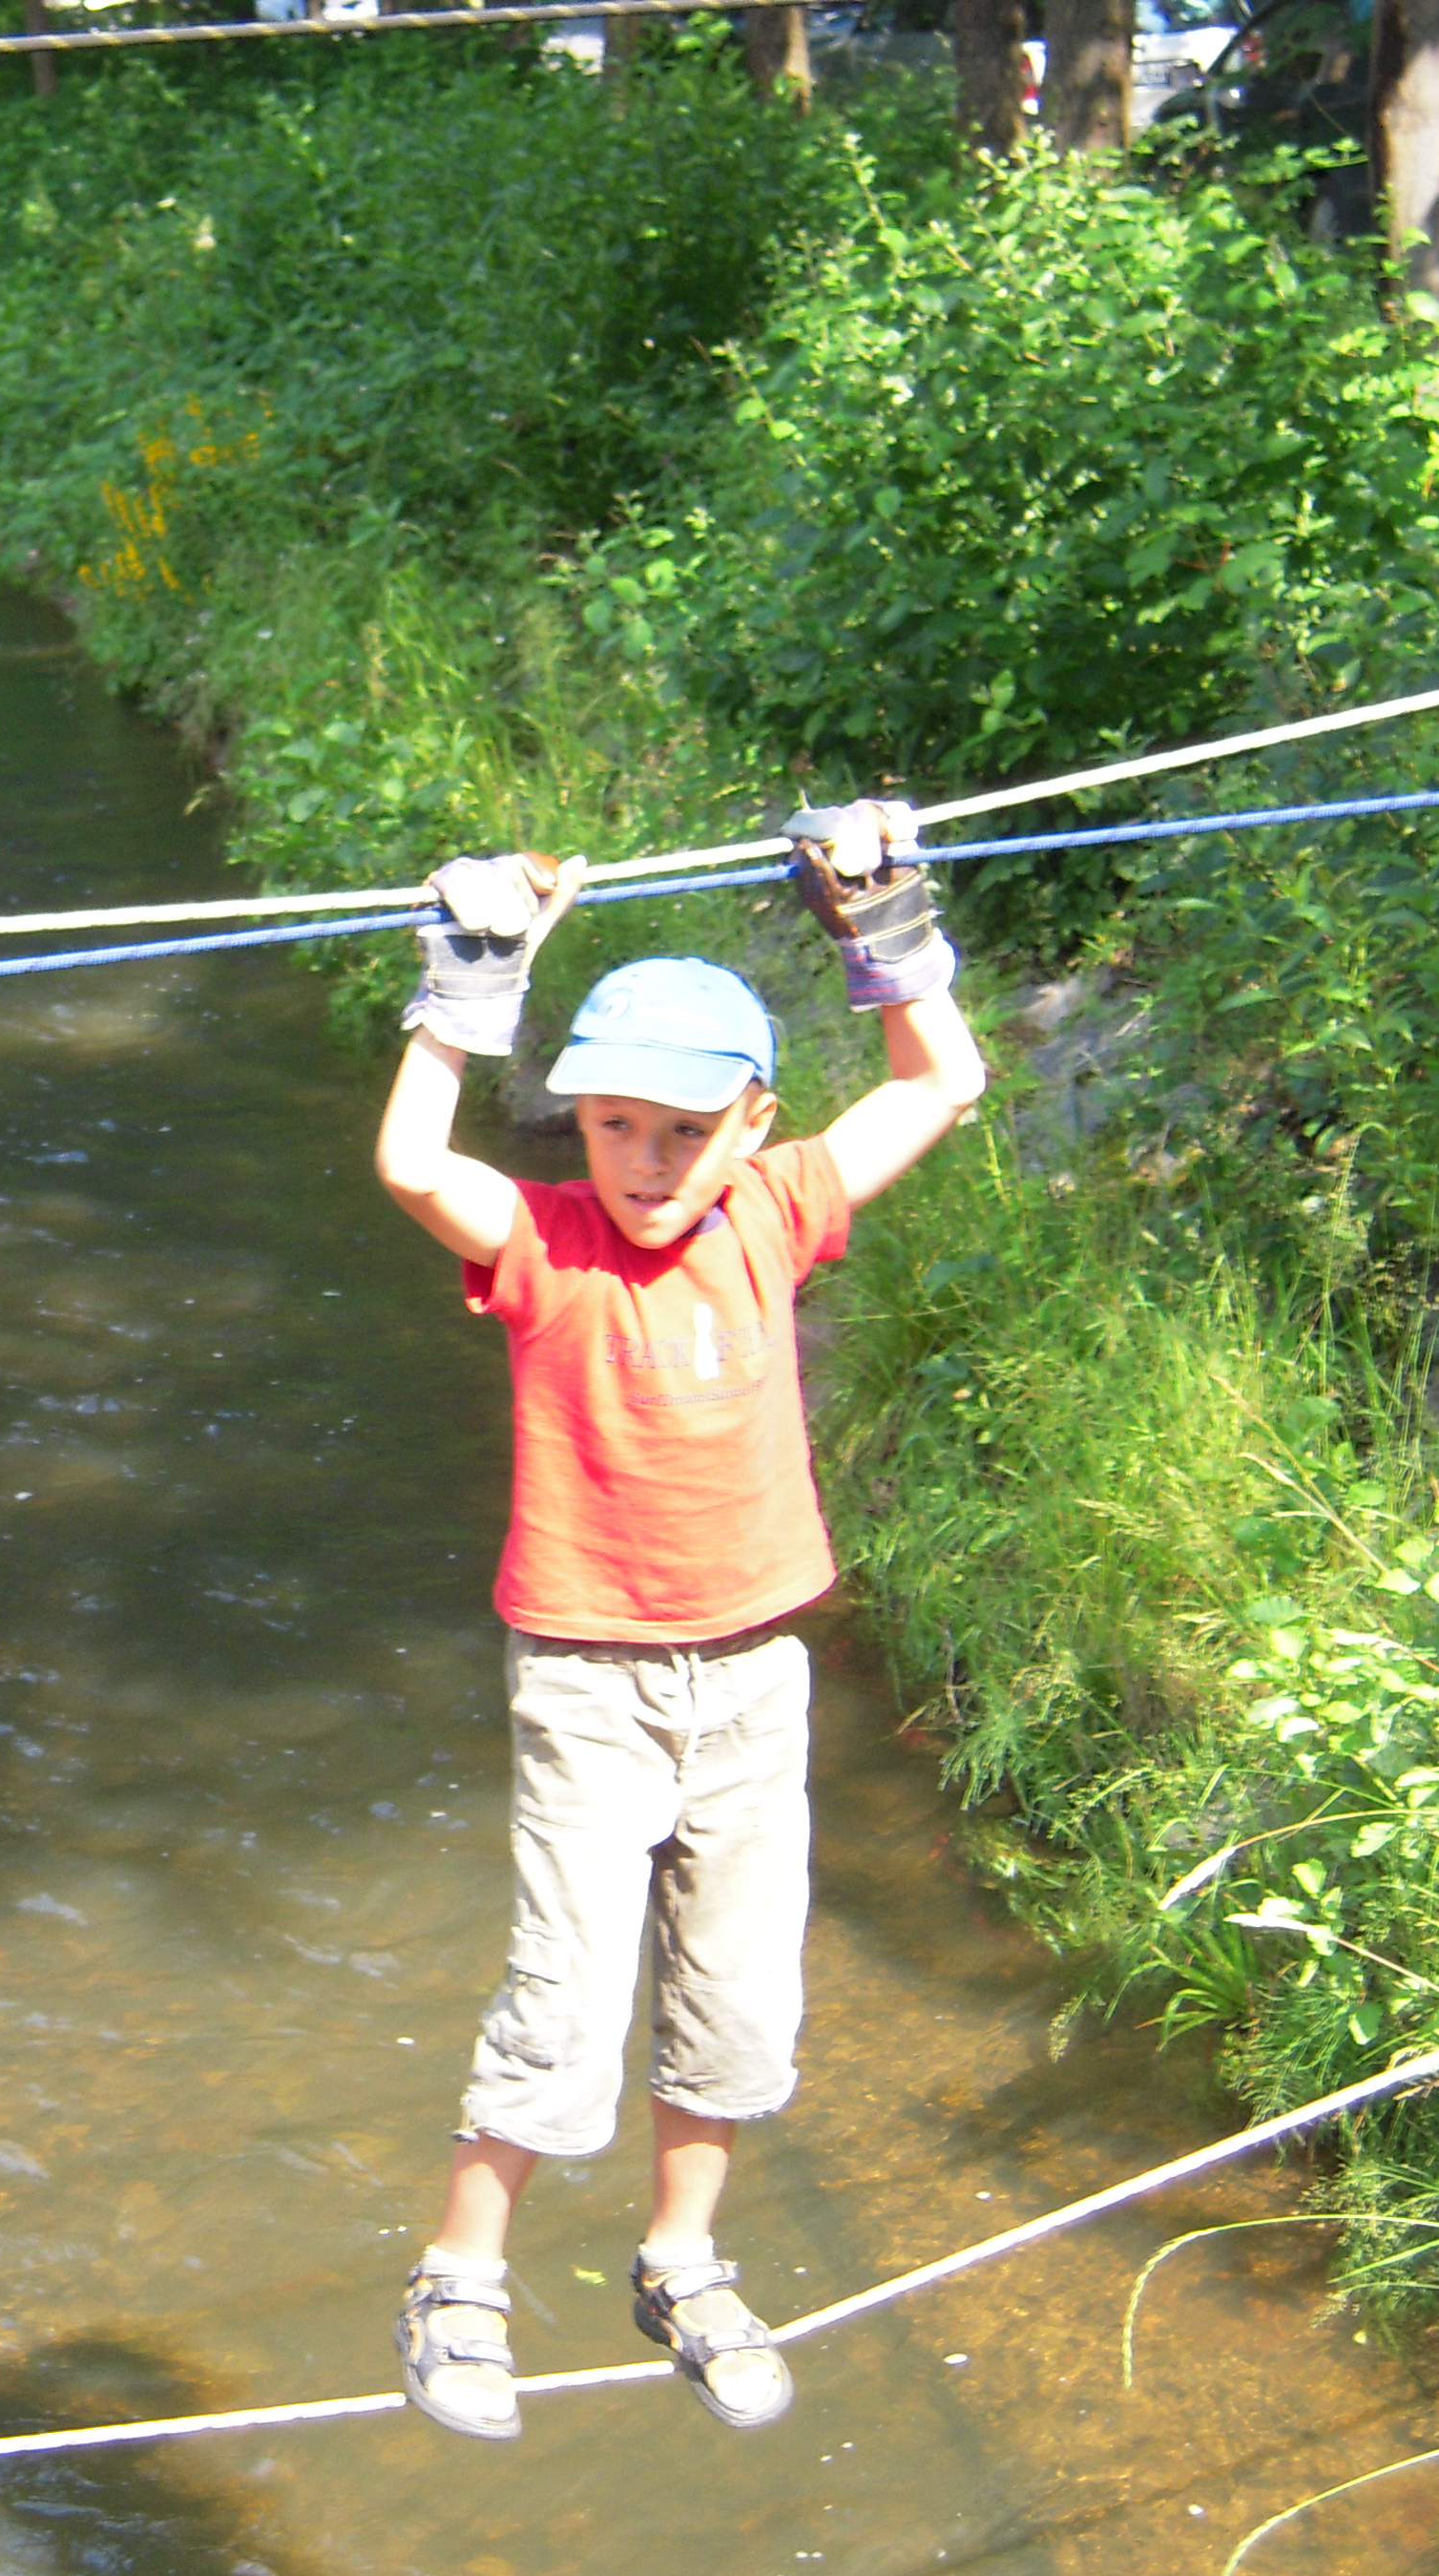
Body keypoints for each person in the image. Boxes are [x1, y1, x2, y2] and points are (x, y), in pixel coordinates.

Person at [370, 806, 989, 2437]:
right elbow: (412, 1165)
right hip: (587, 1683)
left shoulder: (778, 1210)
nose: (643, 1162)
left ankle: (681, 2260)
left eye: (682, 1131)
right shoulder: (545, 1240)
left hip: (752, 1681)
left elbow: (941, 1082)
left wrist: (881, 922)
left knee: (735, 1996)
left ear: (752, 1123)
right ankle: (457, 2274)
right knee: (566, 1996)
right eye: (612, 1125)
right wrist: (471, 980)